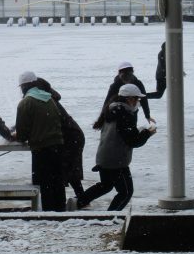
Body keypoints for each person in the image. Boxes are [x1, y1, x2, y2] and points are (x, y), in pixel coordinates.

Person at [67, 84, 156, 212]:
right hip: (116, 160)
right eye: (137, 99)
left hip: (105, 156)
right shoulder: (124, 114)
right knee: (126, 192)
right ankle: (111, 216)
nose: (138, 102)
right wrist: (147, 133)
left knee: (106, 185)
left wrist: (140, 131)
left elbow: (123, 134)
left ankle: (78, 202)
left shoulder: (112, 109)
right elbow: (133, 141)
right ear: (129, 98)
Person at [15, 71, 65, 212]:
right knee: (57, 180)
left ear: (23, 86)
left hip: (41, 148)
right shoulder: (49, 99)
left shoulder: (26, 102)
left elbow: (22, 134)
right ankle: (60, 210)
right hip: (57, 144)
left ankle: (48, 212)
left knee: (44, 182)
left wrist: (17, 136)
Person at [35, 77, 85, 199]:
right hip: (73, 135)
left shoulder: (47, 101)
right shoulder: (48, 99)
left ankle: (80, 199)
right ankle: (81, 198)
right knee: (69, 170)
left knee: (66, 169)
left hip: (70, 137)